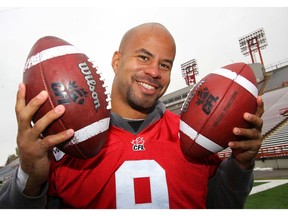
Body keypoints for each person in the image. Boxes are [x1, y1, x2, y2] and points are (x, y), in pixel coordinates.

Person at [0, 22, 264, 209]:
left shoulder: (194, 136)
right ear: (117, 61)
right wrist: (29, 176)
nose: (154, 72)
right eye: (143, 57)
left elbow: (221, 206)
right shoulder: (67, 142)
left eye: (165, 64)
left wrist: (240, 165)